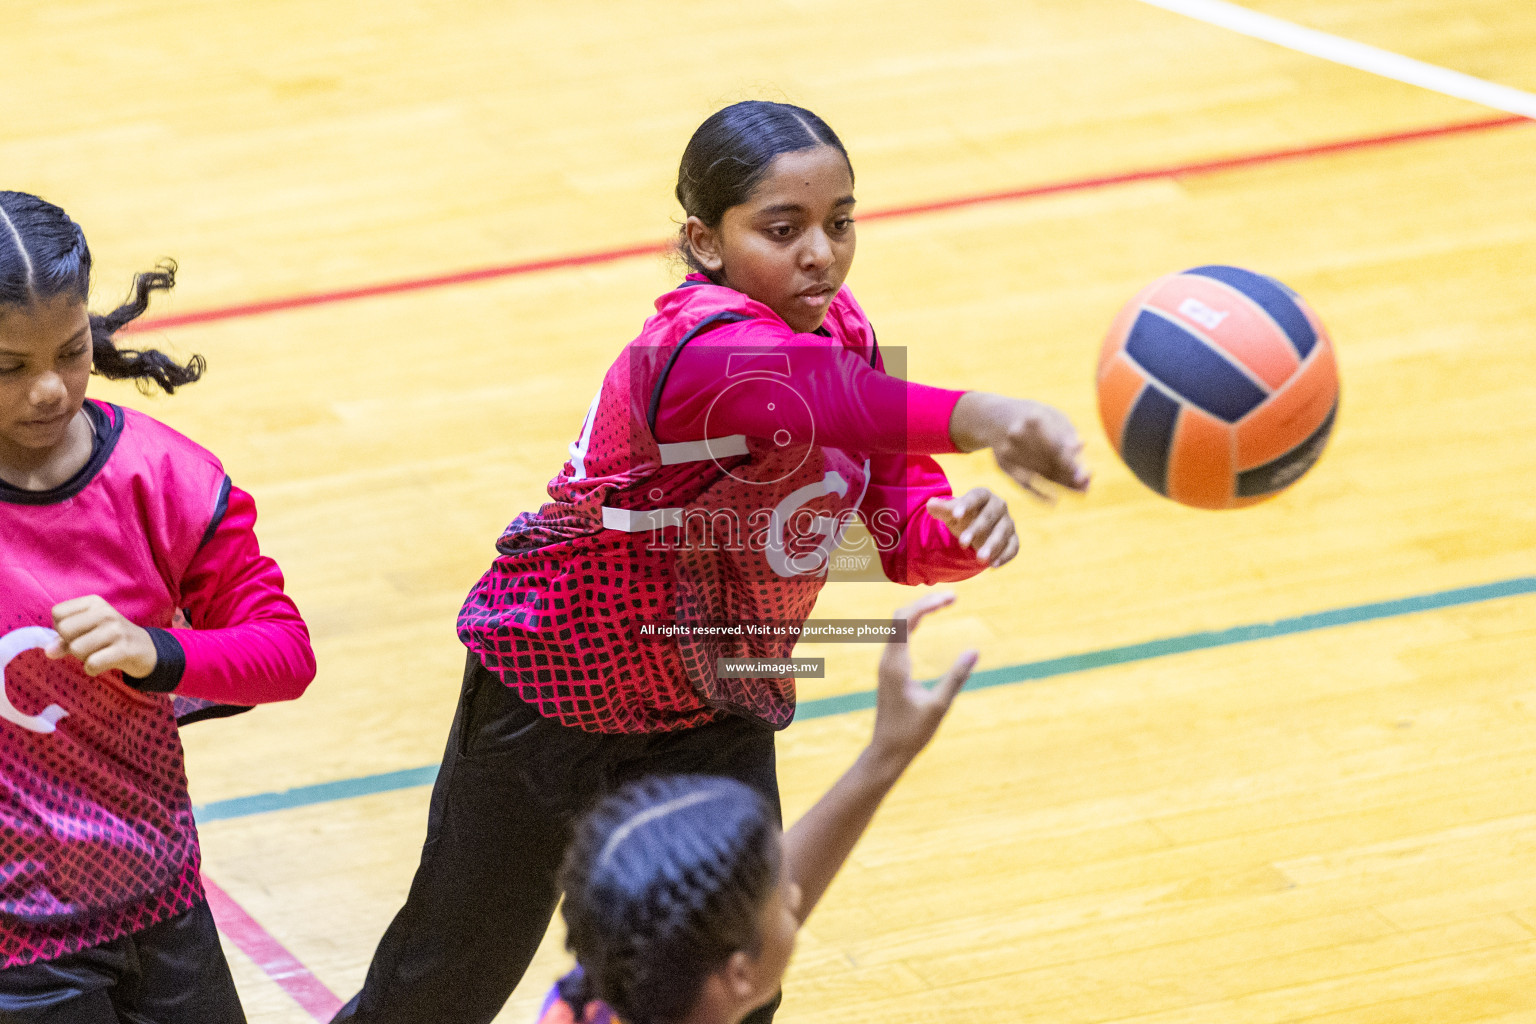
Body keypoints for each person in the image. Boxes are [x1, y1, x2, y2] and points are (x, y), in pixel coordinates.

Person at [335, 100, 1088, 1024]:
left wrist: (957, 533)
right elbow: (815, 401)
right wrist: (990, 416)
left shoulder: (843, 335)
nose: (822, 252)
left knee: (737, 977)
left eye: (840, 222)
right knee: (447, 980)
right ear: (705, 239)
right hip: (558, 684)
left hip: (714, 697)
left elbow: (893, 519)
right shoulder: (686, 349)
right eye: (785, 228)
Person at [0, 191, 317, 1023]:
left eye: (70, 353)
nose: (47, 391)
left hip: (160, 901)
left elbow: (283, 654)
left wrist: (158, 652)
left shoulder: (165, 478)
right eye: (8, 366)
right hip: (15, 945)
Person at [539, 591, 975, 1024]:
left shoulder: (595, 994)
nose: (797, 893)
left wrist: (886, 754)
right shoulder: (653, 961)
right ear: (740, 975)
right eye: (784, 901)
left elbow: (718, 915)